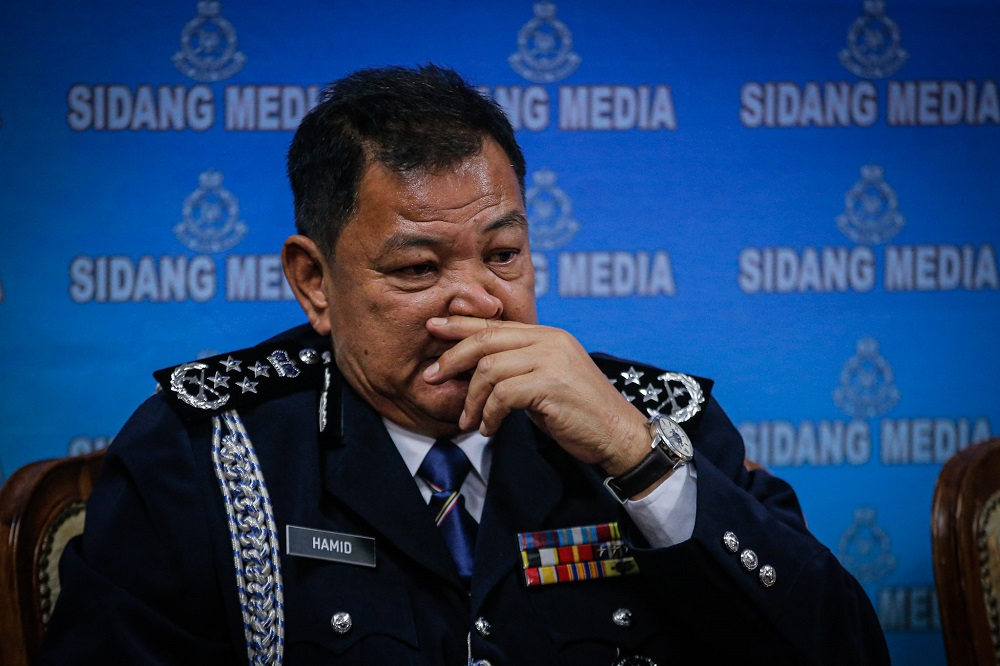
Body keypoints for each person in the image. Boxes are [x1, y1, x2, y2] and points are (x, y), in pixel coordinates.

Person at [43, 64, 889, 665]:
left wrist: (639, 458)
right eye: (417, 269)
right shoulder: (206, 455)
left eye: (504, 255)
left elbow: (842, 649)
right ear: (315, 282)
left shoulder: (653, 422)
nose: (477, 302)